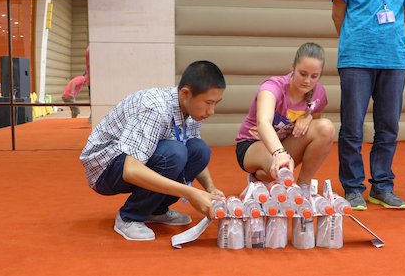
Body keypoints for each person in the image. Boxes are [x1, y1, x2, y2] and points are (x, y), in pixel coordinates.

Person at [80, 60, 226, 241]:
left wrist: (210, 189)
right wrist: (191, 193)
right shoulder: (154, 108)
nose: (211, 111)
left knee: (199, 150)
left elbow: (193, 152)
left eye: (216, 103)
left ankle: (156, 210)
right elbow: (131, 170)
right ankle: (129, 216)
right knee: (175, 153)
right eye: (208, 103)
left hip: (138, 159)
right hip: (105, 168)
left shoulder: (193, 111)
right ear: (186, 93)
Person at [332, 0, 405, 210]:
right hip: (356, 58)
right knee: (352, 127)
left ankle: (382, 186)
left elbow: (404, 12)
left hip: (394, 58)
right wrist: (356, 39)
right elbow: (337, 14)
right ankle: (352, 187)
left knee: (389, 126)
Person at [235, 42, 335, 188]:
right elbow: (263, 122)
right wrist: (279, 153)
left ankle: (303, 186)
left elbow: (317, 122)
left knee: (326, 128)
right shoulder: (272, 87)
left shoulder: (319, 92)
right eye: (303, 74)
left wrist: (308, 117)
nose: (308, 81)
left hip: (284, 144)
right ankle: (259, 176)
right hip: (253, 143)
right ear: (293, 67)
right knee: (280, 167)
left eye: (314, 76)